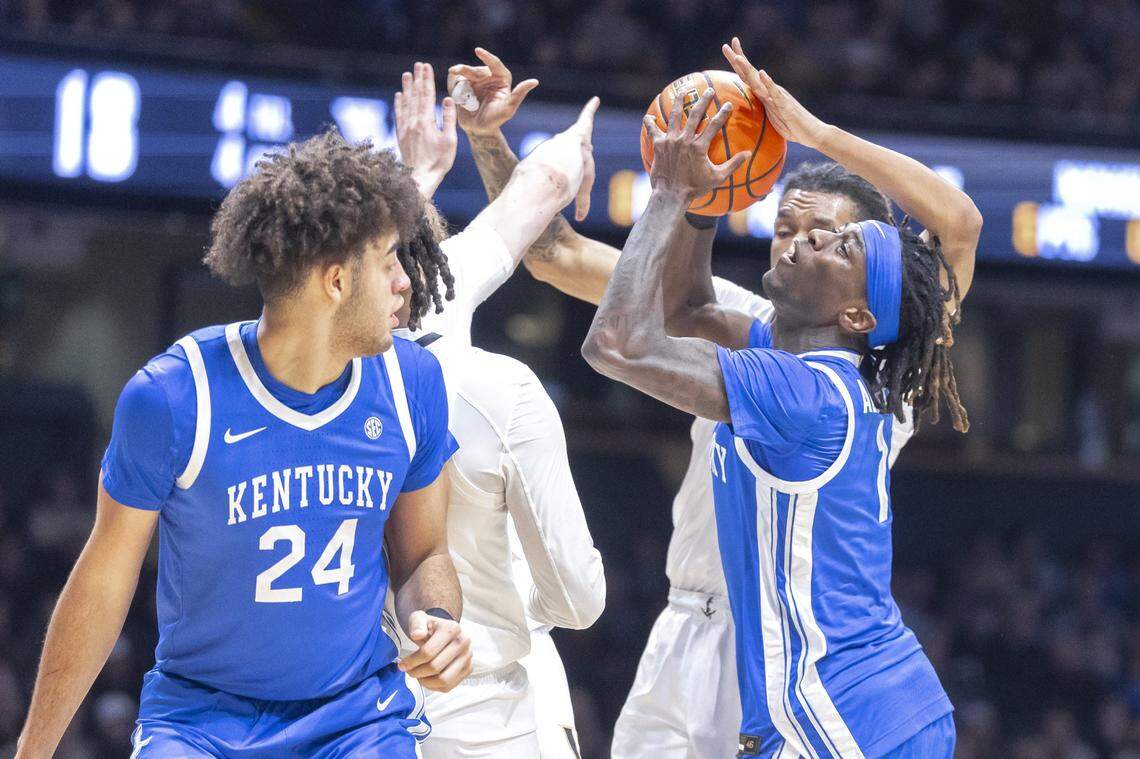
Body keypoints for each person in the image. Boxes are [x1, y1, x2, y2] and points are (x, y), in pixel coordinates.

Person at [452, 44, 981, 757]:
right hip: (687, 626)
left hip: (783, 646)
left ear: (862, 303)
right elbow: (557, 256)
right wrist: (489, 140)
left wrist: (808, 134)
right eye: (786, 230)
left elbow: (959, 225)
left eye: (826, 239)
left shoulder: (880, 375)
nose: (795, 245)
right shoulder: (759, 327)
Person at [16, 128, 470, 759]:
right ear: (335, 282)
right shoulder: (176, 397)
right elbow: (102, 585)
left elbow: (425, 555)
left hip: (356, 722)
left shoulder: (410, 383)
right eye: (391, 259)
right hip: (201, 722)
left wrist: (439, 621)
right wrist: (31, 751)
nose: (404, 282)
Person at [393, 59, 605, 758]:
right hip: (483, 701)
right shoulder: (466, 344)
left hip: (341, 702)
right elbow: (543, 183)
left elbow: (529, 195)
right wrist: (575, 137)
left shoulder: (293, 358)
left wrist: (419, 174)